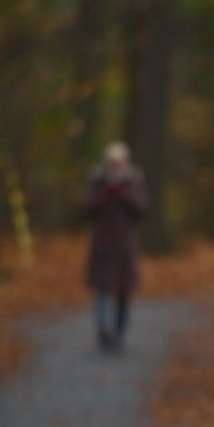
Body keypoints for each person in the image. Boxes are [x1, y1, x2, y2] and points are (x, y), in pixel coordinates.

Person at [84, 143, 149, 349]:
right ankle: (103, 331)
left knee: (123, 292)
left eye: (119, 162)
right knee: (102, 290)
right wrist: (104, 196)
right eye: (112, 162)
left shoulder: (133, 182)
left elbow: (142, 208)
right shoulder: (98, 182)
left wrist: (123, 195)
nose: (115, 166)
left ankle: (119, 333)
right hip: (102, 246)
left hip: (125, 248)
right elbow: (86, 209)